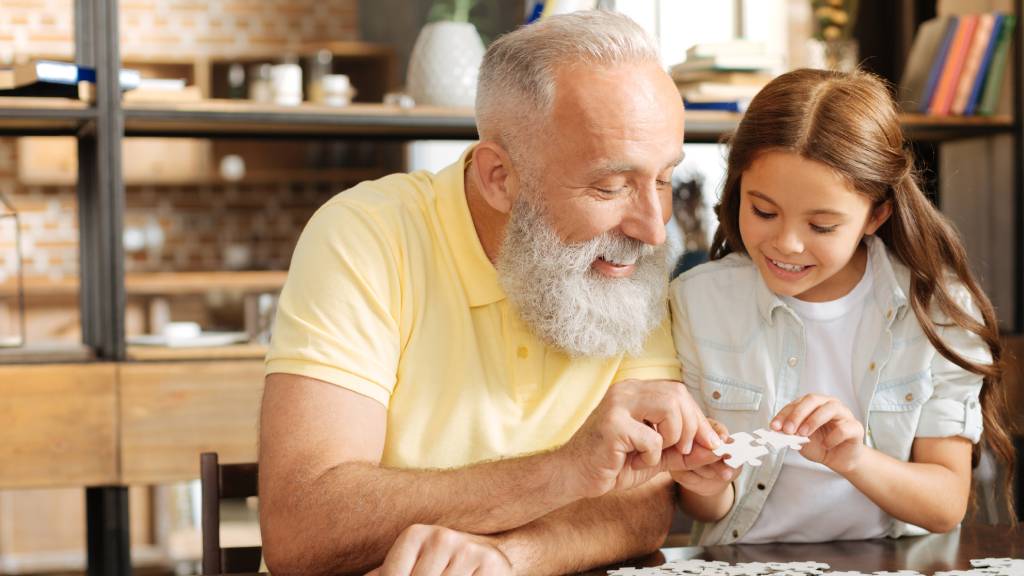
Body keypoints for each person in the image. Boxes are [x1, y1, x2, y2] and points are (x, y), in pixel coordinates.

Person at [259, 10, 727, 576]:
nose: (653, 229)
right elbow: (301, 527)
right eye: (609, 186)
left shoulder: (627, 259)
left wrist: (507, 558)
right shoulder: (367, 234)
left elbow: (643, 503)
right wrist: (562, 472)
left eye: (662, 178)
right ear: (499, 177)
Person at [670, 68, 1016, 545]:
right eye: (764, 211)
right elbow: (704, 507)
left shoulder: (938, 309)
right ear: (738, 188)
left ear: (877, 213)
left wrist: (853, 458)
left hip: (889, 560)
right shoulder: (696, 300)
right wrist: (706, 482)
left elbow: (945, 505)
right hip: (741, 559)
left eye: (823, 226)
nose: (787, 244)